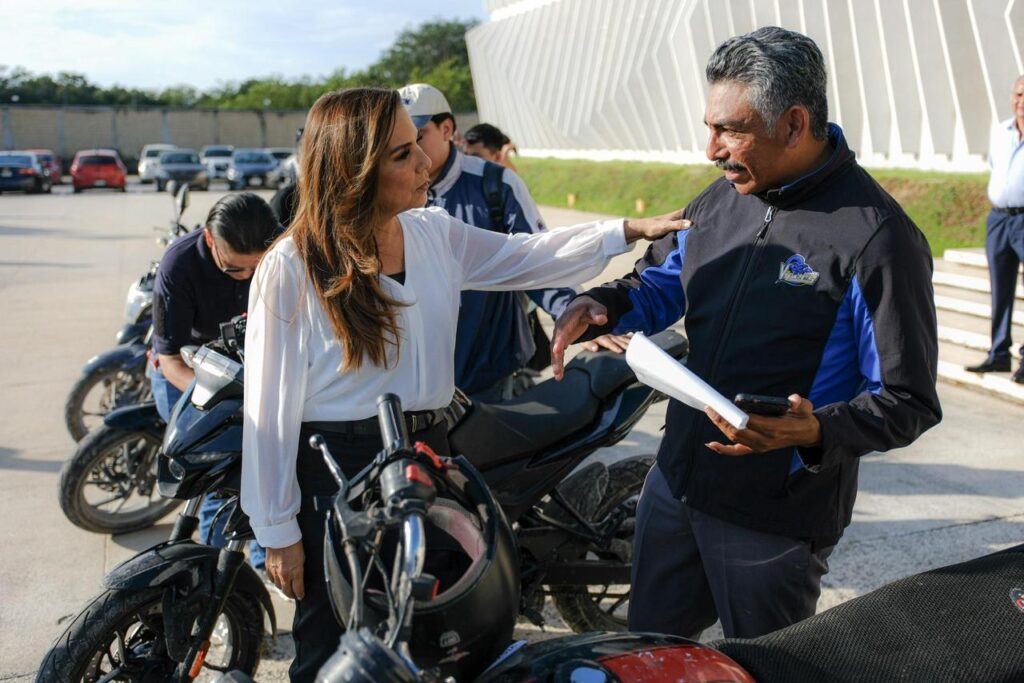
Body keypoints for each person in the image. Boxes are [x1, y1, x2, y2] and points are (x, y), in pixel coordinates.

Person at [239, 87, 685, 681]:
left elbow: (527, 256)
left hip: (433, 460)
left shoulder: (432, 234)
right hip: (339, 479)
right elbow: (267, 415)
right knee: (336, 651)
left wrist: (627, 229)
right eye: (402, 155)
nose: (425, 162)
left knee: (437, 642)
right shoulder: (291, 266)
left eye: (417, 144)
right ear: (355, 170)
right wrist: (278, 531)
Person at [552, 26, 942, 640]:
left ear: (793, 124)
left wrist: (816, 430)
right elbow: (660, 282)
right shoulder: (719, 200)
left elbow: (908, 400)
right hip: (676, 482)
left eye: (730, 129)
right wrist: (602, 304)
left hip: (775, 516)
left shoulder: (877, 239)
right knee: (649, 654)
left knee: (764, 667)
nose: (711, 148)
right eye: (710, 126)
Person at [398, 83, 629, 401]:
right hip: (420, 384)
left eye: (418, 136)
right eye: (402, 143)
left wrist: (573, 315)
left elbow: (535, 257)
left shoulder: (495, 183)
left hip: (489, 374)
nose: (413, 152)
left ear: (447, 128)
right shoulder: (394, 191)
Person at [150, 192, 280, 569]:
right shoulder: (179, 264)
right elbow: (169, 358)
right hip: (191, 371)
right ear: (209, 239)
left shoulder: (283, 247)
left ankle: (257, 558)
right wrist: (228, 399)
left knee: (264, 468)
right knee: (214, 472)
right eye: (236, 270)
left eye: (260, 267)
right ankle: (211, 577)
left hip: (249, 372)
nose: (251, 277)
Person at [964, 75, 1024, 383]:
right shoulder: (1001, 132)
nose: (1021, 101)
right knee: (1000, 288)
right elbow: (994, 168)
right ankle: (999, 353)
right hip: (999, 219)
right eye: (1018, 94)